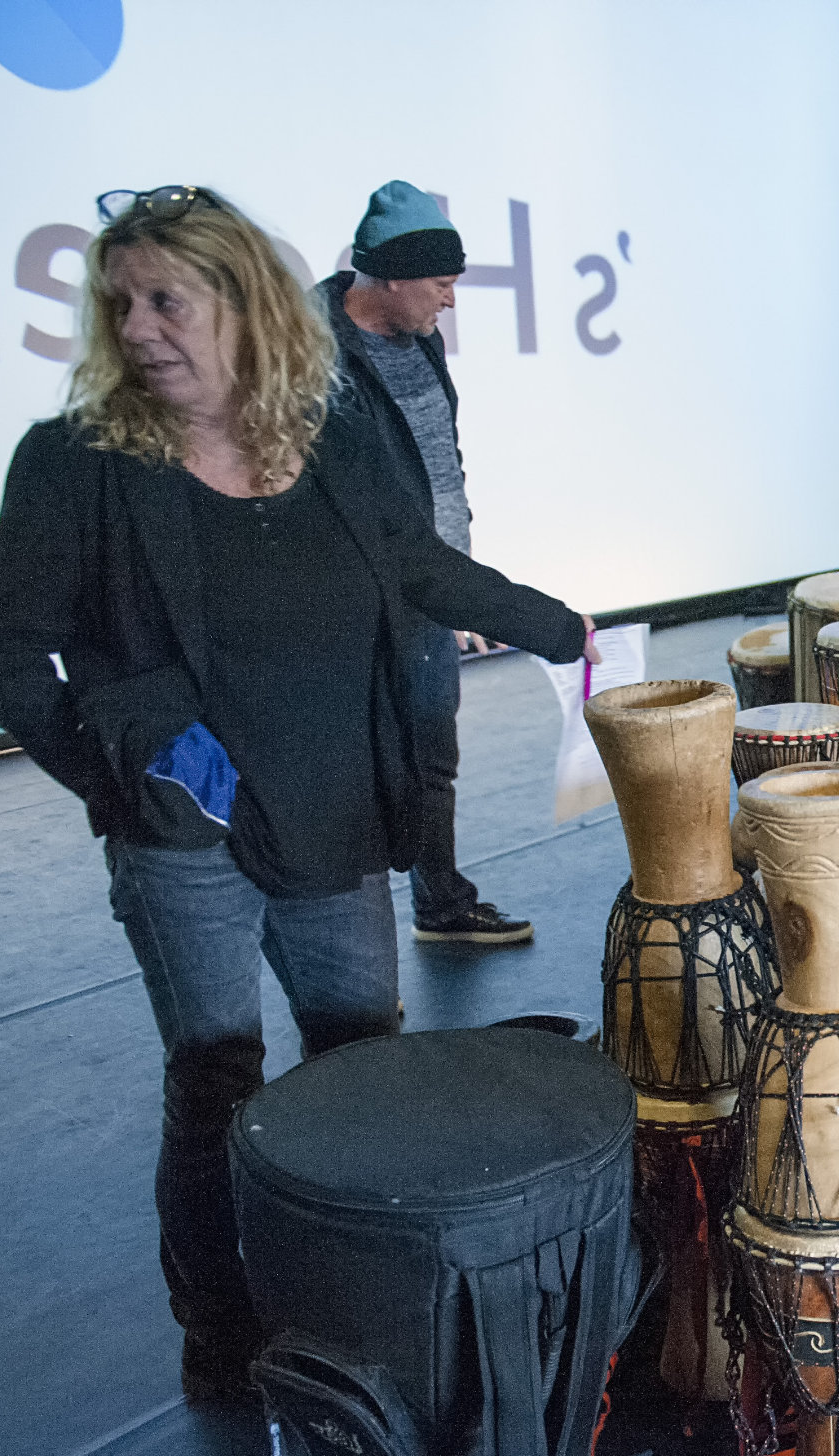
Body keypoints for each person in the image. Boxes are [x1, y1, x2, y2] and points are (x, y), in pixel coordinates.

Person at [0, 186, 599, 1400]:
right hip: (187, 828)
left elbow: (416, 562)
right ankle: (222, 1327)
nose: (138, 326)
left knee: (360, 1056)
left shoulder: (332, 434)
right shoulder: (77, 463)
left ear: (246, 306)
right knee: (217, 1075)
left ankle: (348, 1294)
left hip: (334, 805)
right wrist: (117, 777)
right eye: (118, 303)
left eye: (166, 300)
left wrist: (555, 624)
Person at [317, 182, 528, 943]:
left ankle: (441, 905)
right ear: (393, 277)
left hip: (430, 590)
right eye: (441, 283)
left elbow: (439, 463)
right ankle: (354, 954)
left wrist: (458, 578)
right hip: (352, 605)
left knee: (433, 756)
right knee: (355, 775)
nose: (449, 300)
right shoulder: (312, 355)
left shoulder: (423, 341)